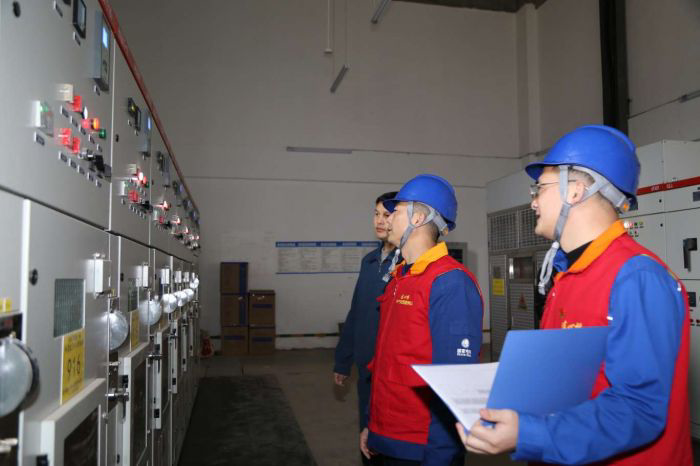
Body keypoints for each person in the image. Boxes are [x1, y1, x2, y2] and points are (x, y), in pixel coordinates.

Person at [458, 125, 692, 464]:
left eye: (540, 188)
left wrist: (530, 434)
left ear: (575, 191)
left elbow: (639, 408)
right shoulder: (568, 276)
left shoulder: (637, 277)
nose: (533, 201)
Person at [363, 174, 484, 466]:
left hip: (420, 446)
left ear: (417, 218)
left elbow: (455, 381)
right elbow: (386, 361)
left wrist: (441, 455)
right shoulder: (400, 277)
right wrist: (372, 425)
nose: (387, 219)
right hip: (386, 434)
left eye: (395, 211)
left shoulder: (450, 282)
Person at [334, 191, 399, 465]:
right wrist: (342, 360)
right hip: (366, 370)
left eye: (387, 215)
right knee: (367, 438)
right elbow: (356, 312)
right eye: (376, 214)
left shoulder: (407, 265)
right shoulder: (369, 261)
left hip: (391, 372)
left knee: (390, 443)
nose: (379, 221)